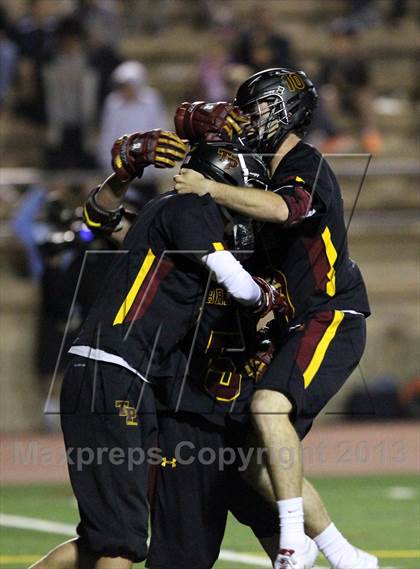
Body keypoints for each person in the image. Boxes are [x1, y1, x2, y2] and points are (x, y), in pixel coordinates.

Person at [30, 130, 284, 569]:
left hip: (120, 375)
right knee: (122, 542)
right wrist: (268, 297)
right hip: (116, 372)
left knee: (102, 538)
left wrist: (122, 175)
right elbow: (239, 285)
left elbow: (100, 216)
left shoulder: (163, 221)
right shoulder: (190, 208)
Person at [174, 68, 378, 569]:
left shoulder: (305, 162)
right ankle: (345, 556)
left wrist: (211, 190)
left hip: (333, 313)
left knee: (268, 407)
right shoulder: (261, 170)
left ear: (290, 112)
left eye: (261, 107)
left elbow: (287, 210)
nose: (252, 118)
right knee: (252, 465)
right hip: (296, 323)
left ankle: (291, 545)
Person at [97, 60, 168, 207]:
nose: (125, 90)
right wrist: (109, 163)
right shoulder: (113, 103)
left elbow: (159, 131)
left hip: (148, 173)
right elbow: (108, 134)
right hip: (122, 171)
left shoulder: (151, 100)